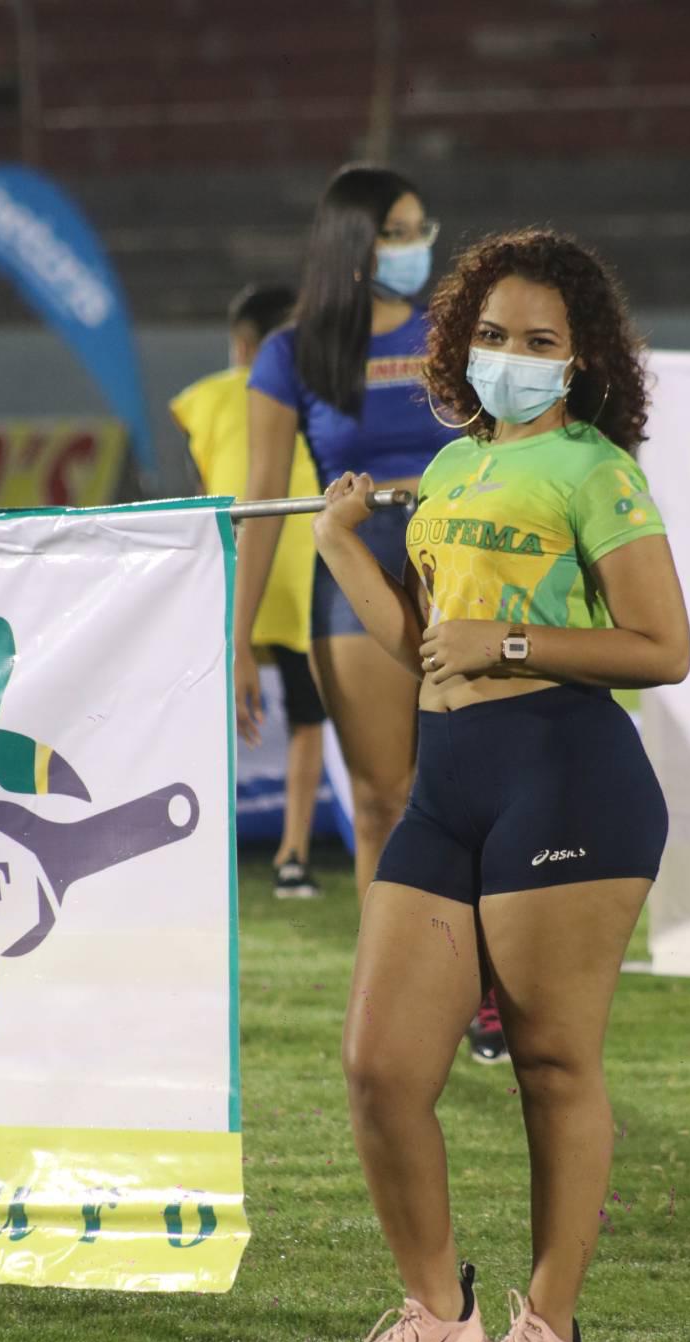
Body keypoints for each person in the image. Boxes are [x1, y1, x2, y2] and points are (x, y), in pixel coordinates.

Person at [313, 229, 690, 1342]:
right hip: (452, 779)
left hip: (568, 771)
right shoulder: (455, 469)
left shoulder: (595, 470)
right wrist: (341, 552)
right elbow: (428, 650)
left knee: (550, 1063)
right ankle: (440, 1319)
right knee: (379, 1068)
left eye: (538, 342)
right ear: (459, 344)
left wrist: (512, 639)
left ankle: (550, 1334)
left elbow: (662, 650)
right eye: (491, 336)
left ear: (579, 364)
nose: (509, 357)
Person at [235, 163, 510, 1061]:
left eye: (421, 227)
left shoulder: (459, 332)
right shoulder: (290, 354)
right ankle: (392, 993)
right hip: (352, 580)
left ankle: (485, 988)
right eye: (397, 230)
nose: (416, 245)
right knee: (384, 798)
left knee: (476, 791)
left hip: (463, 572)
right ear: (355, 243)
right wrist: (237, 643)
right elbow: (262, 507)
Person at [170, 285, 326, 897]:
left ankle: (189, 849)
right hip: (304, 563)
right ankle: (293, 857)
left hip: (232, 564)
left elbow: (205, 488)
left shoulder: (202, 399)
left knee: (196, 713)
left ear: (240, 343)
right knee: (308, 718)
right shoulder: (319, 393)